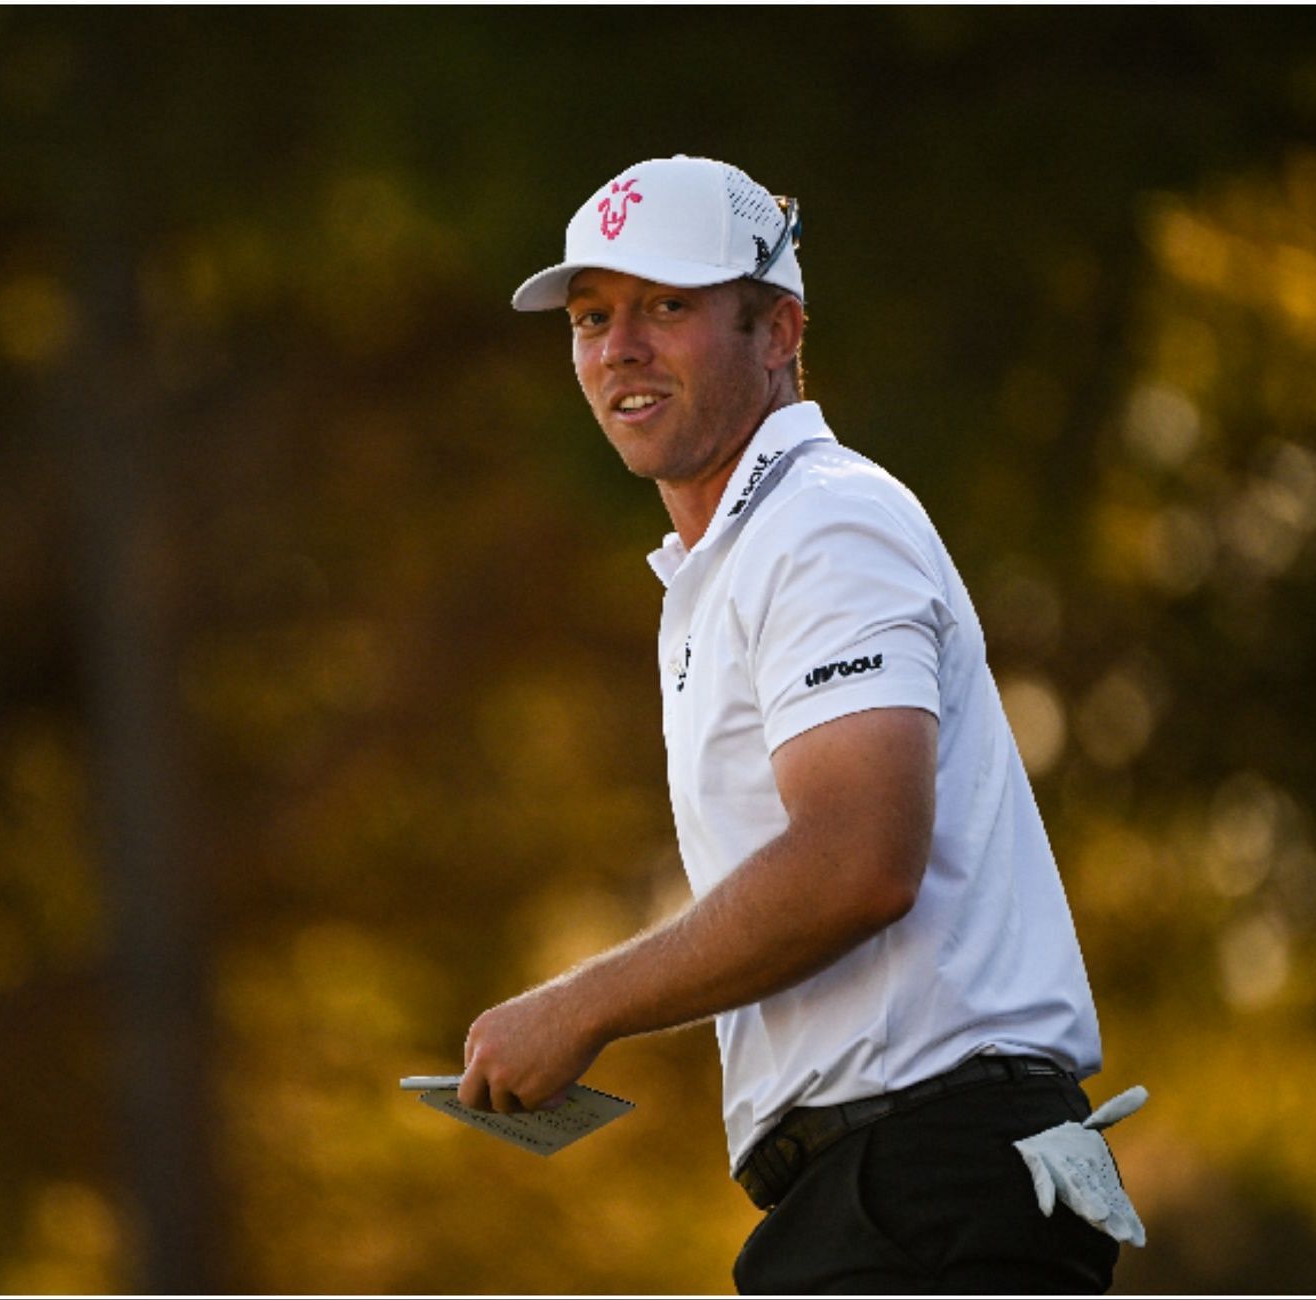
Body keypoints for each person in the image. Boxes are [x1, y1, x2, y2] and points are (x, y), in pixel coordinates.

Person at [459, 154, 1129, 1294]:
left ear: (777, 333)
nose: (618, 347)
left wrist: (583, 1006)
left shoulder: (825, 523)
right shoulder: (735, 558)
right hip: (888, 1192)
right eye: (591, 316)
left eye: (667, 307)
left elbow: (860, 859)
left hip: (928, 1184)